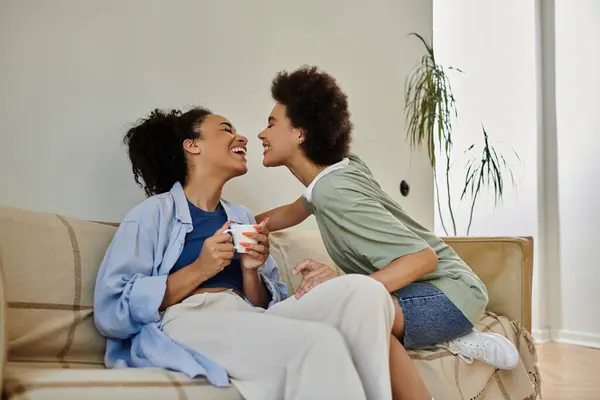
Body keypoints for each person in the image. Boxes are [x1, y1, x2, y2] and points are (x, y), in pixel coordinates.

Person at [93, 107, 399, 400]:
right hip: (189, 319)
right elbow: (112, 311)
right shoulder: (151, 215)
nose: (241, 138)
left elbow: (262, 307)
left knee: (365, 292)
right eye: (226, 130)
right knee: (320, 342)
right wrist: (201, 268)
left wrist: (251, 270)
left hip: (245, 315)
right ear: (192, 146)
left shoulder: (242, 217)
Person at [256, 66, 521, 400]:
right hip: (448, 290)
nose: (260, 134)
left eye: (271, 123)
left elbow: (422, 258)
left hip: (445, 298)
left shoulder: (334, 191)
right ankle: (446, 335)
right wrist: (244, 223)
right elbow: (292, 210)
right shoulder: (337, 173)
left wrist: (347, 288)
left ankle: (449, 334)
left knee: (347, 314)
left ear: (301, 133)